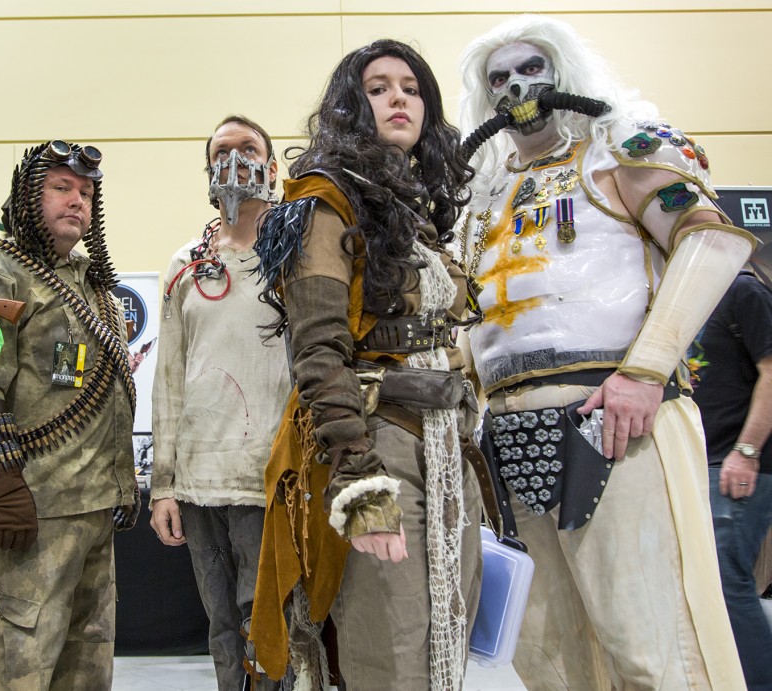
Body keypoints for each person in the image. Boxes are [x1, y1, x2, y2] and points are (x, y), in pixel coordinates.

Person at [456, 15, 753, 689]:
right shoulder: (483, 192)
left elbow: (710, 243)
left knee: (647, 641)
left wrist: (644, 372)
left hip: (616, 419)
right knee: (551, 656)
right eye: (498, 77)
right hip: (507, 433)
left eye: (532, 68)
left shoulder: (620, 149)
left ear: (565, 71)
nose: (517, 86)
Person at [250, 40, 481, 690]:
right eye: (379, 87)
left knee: (446, 636)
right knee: (390, 645)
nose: (399, 97)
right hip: (376, 449)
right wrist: (361, 479)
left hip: (443, 449)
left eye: (410, 87)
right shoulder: (325, 201)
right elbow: (318, 350)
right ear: (352, 106)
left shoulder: (419, 215)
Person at [0, 140, 138, 691]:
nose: (77, 200)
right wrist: (4, 488)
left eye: (86, 192)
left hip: (92, 506)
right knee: (12, 664)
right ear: (29, 197)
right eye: (61, 188)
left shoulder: (90, 283)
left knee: (85, 666)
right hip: (28, 509)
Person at [149, 115, 291, 690]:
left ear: (273, 167)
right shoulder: (186, 264)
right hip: (200, 479)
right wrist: (163, 484)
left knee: (275, 623)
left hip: (273, 475)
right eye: (222, 151)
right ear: (208, 170)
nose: (235, 161)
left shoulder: (299, 253)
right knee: (222, 627)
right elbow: (168, 379)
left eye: (249, 149)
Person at [692, 270, 772, 690]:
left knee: (726, 580)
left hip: (736, 461)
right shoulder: (682, 298)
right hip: (696, 460)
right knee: (703, 584)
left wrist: (747, 452)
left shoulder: (741, 289)